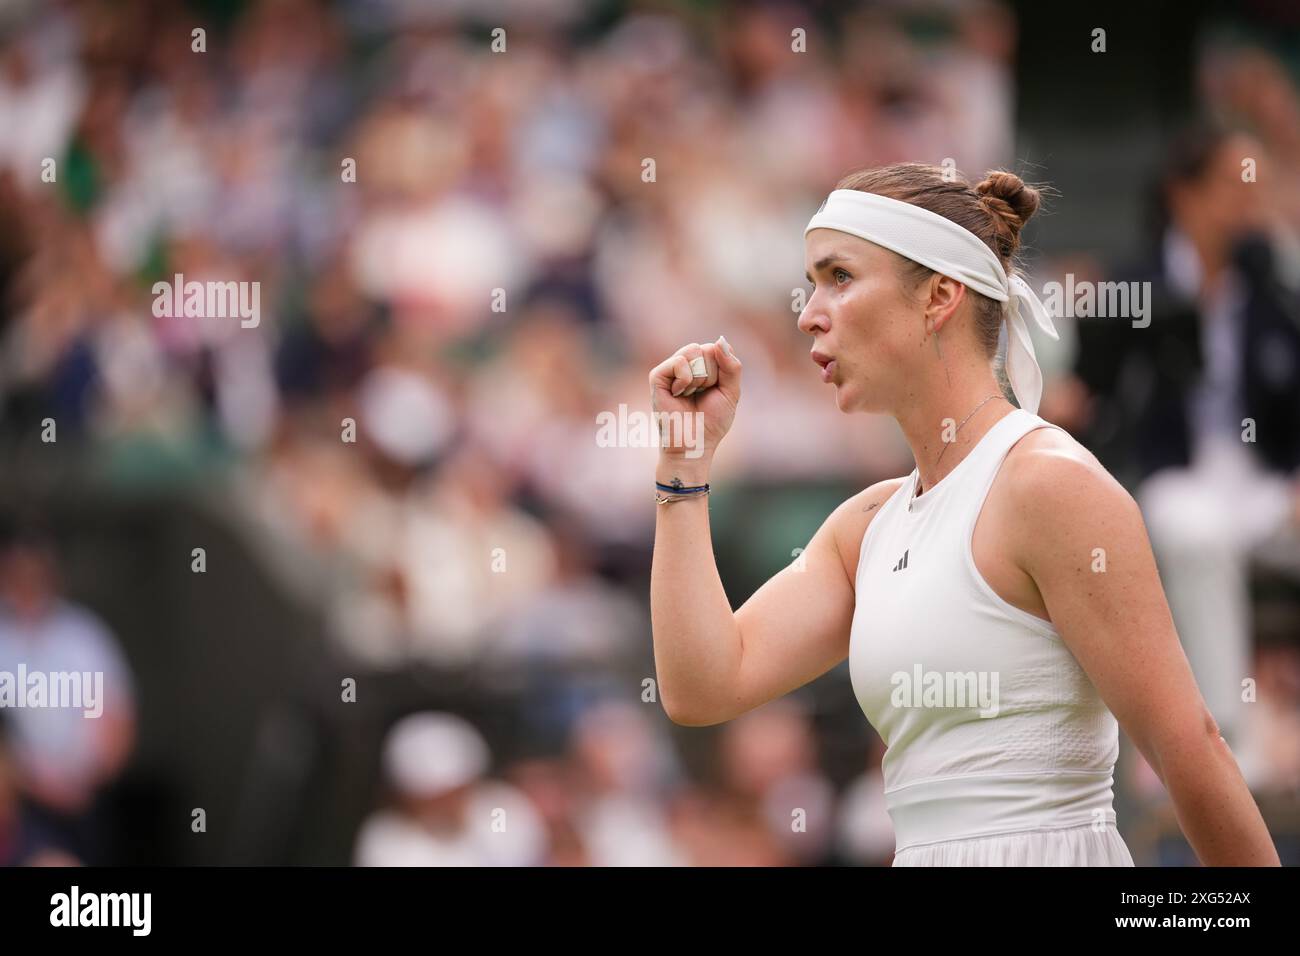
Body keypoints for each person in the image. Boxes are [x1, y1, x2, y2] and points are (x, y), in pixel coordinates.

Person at [647, 162, 1281, 866]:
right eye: (811, 282)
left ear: (939, 297)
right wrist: (684, 465)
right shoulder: (866, 527)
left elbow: (1188, 745)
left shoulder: (1048, 486)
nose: (809, 313)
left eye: (840, 277)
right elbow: (702, 685)